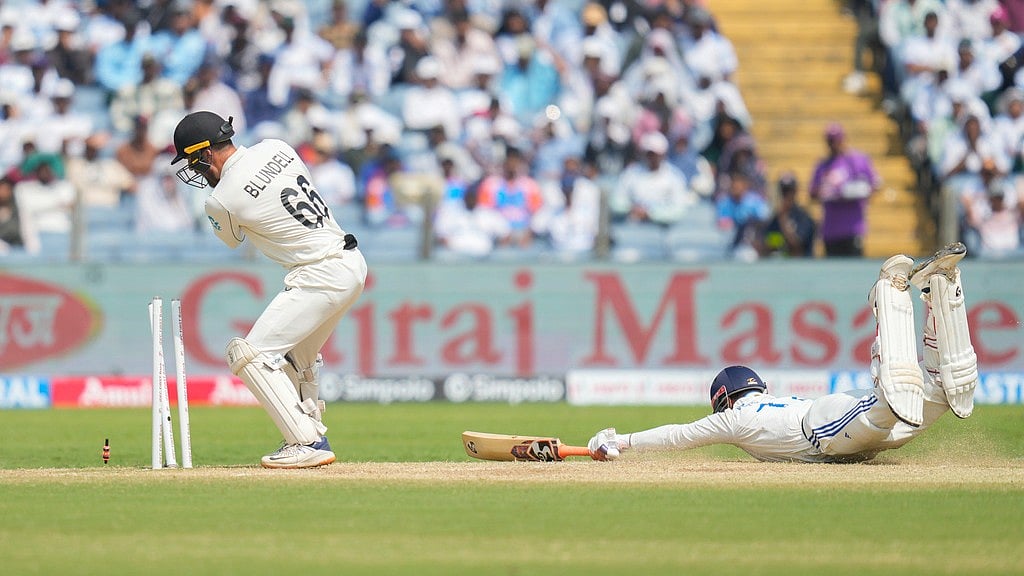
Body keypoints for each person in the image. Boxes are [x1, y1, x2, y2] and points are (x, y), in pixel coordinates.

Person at [588, 242, 979, 463]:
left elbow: (679, 436)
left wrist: (622, 439)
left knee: (891, 397)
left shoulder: (735, 420)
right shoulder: (770, 402)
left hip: (821, 428)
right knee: (940, 392)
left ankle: (888, 301)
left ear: (723, 399)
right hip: (844, 432)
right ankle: (937, 291)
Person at [169, 110, 367, 468]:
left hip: (318, 274)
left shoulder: (221, 200)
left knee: (249, 354)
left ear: (205, 154)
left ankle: (305, 441)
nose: (195, 172)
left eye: (193, 162)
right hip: (351, 262)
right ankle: (313, 432)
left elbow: (232, 239)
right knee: (298, 357)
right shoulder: (278, 147)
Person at [808, 122, 882, 257]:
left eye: (835, 140)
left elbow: (875, 184)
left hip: (852, 228)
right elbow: (812, 192)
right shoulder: (823, 165)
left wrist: (857, 192)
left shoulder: (858, 161)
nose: (833, 144)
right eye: (830, 141)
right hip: (831, 230)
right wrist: (827, 191)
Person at [758, 172, 817, 258]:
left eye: (790, 191)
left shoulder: (803, 217)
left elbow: (796, 246)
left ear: (795, 191)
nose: (787, 195)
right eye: (784, 192)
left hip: (802, 266)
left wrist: (783, 218)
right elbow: (768, 244)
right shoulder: (774, 219)